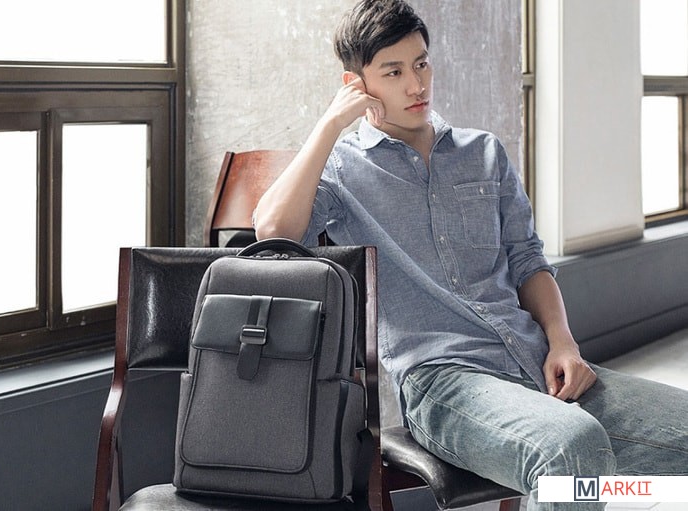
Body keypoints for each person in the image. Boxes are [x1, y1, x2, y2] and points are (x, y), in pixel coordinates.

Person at [253, 1, 688, 509]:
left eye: (421, 64)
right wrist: (329, 126)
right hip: (443, 384)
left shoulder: (484, 153)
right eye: (393, 72)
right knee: (570, 449)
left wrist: (563, 343)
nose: (416, 85)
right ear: (357, 84)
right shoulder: (344, 172)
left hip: (532, 361)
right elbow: (272, 228)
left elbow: (528, 260)